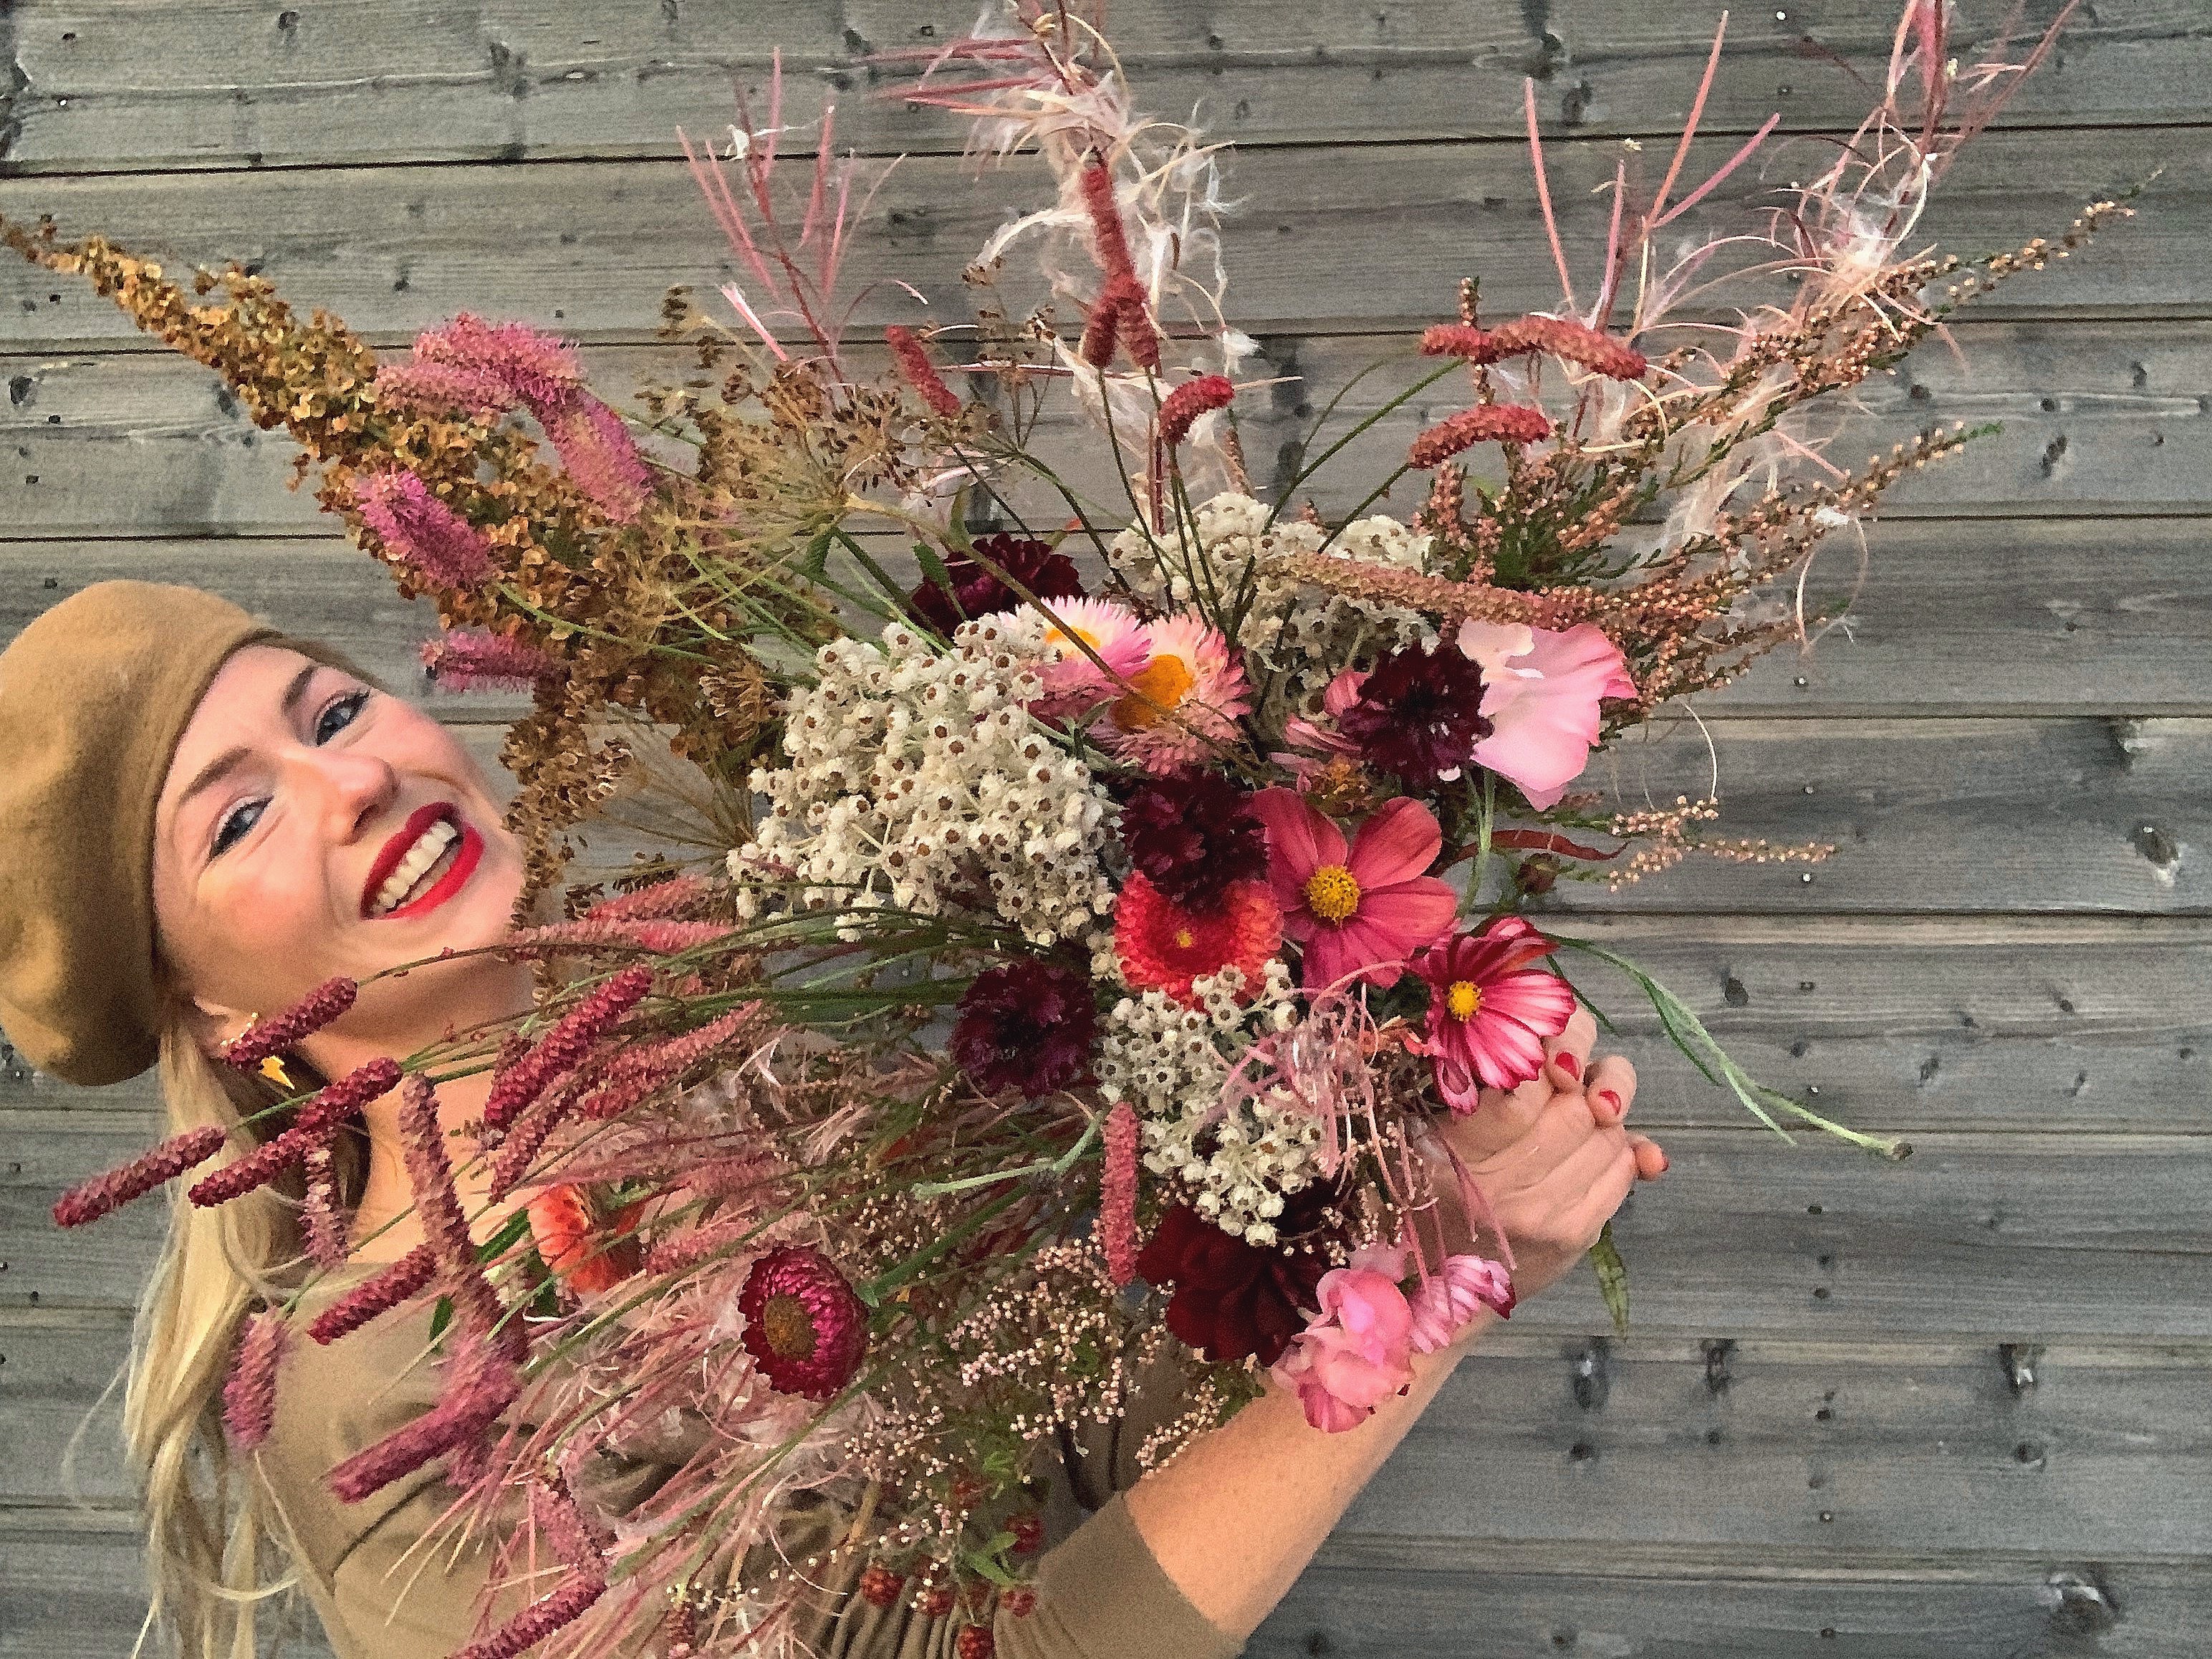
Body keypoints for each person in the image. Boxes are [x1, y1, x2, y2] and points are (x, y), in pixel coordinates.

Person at [0, 582, 1667, 1659]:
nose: (348, 781)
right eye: (237, 818)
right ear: (220, 1011)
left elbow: (1091, 1436)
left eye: (332, 711)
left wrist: (1391, 1154)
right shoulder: (381, 1408)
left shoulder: (763, 1071)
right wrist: (1435, 1293)